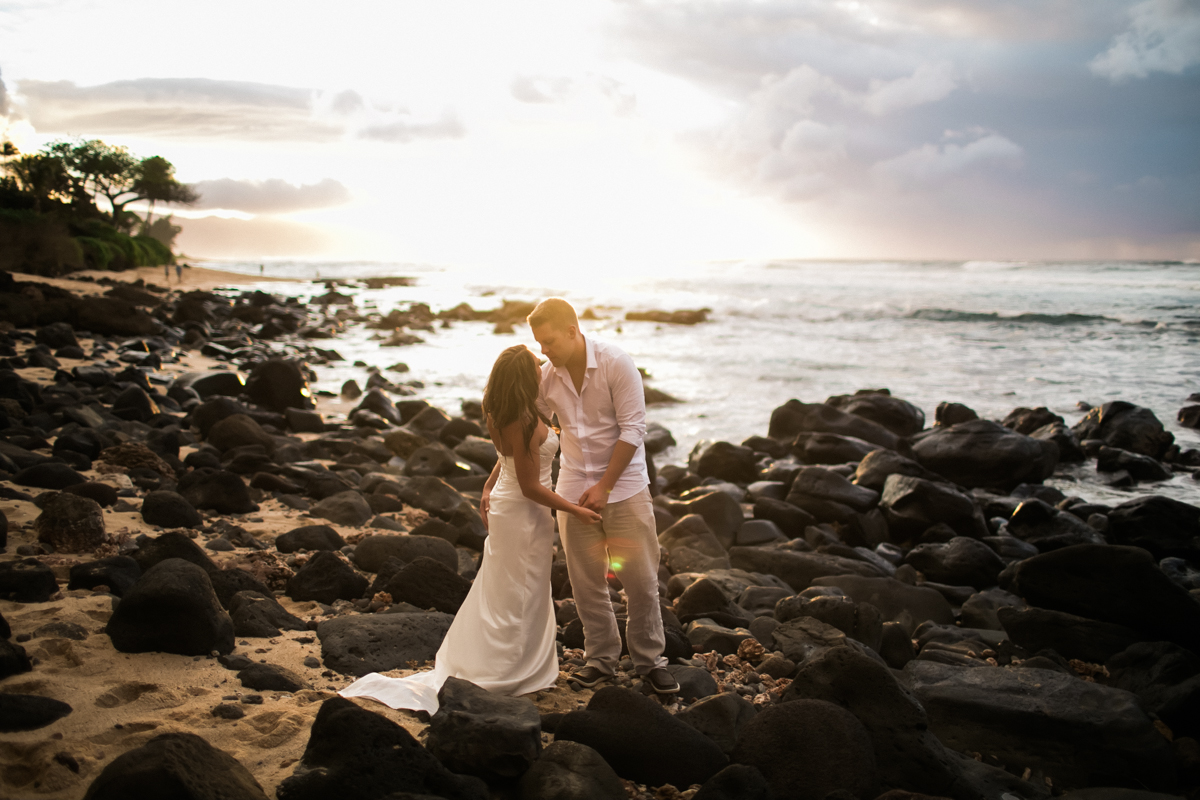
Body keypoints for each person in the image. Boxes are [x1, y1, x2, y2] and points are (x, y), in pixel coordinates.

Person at [340, 345, 601, 714]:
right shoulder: (524, 420)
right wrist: (573, 509)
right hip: (524, 512)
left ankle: (516, 663)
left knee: (507, 587)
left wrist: (487, 486)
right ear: (525, 377)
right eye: (536, 365)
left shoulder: (506, 411)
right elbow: (530, 485)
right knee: (518, 590)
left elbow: (505, 459)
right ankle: (511, 670)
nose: (543, 368)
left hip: (511, 504)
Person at [526, 298, 679, 695]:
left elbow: (633, 429)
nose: (544, 351)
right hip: (573, 489)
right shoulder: (546, 377)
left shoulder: (616, 363)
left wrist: (605, 486)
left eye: (550, 341)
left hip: (625, 488)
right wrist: (503, 479)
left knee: (642, 581)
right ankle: (601, 660)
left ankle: (650, 661)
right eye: (539, 343)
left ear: (574, 331)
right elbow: (535, 427)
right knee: (585, 582)